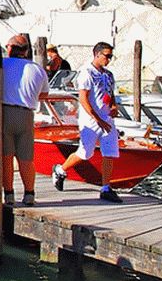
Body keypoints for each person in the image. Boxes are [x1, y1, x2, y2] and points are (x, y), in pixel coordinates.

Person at [52, 42, 123, 203]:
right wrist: (97, 119)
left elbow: (110, 94)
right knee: (85, 152)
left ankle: (106, 187)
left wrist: (113, 107)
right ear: (97, 54)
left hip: (106, 118)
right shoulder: (86, 73)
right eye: (107, 56)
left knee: (109, 152)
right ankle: (60, 169)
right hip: (91, 119)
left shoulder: (108, 75)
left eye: (111, 56)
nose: (109, 59)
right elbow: (83, 99)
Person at [2, 35, 49, 206]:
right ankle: (29, 194)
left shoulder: (1, 64)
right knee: (26, 157)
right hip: (27, 114)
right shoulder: (38, 69)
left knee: (6, 157)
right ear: (26, 50)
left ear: (10, 48)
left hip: (5, 112)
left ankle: (9, 194)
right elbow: (43, 94)